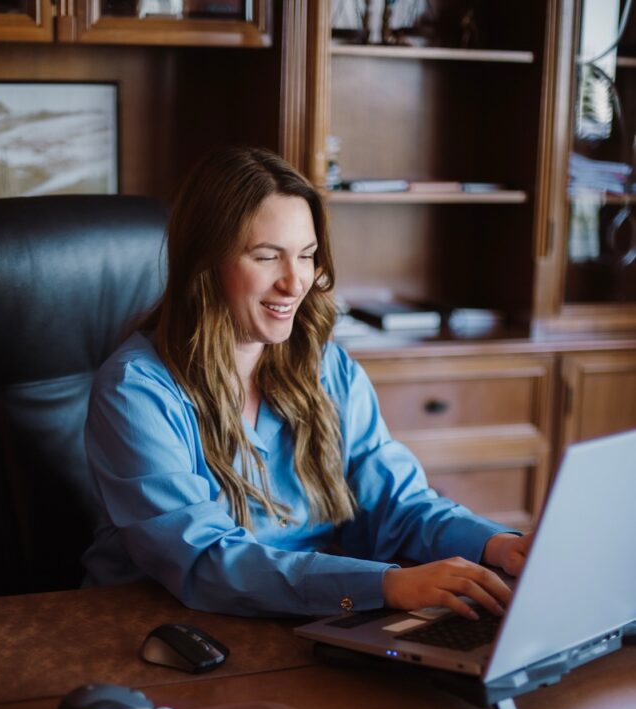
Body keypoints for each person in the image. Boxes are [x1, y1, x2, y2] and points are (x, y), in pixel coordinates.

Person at [83, 145, 532, 619]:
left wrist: (498, 546)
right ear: (205, 263)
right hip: (159, 629)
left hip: (299, 618)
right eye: (267, 257)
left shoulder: (328, 369)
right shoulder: (136, 393)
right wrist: (383, 585)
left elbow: (397, 503)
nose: (295, 282)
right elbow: (206, 561)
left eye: (307, 255)